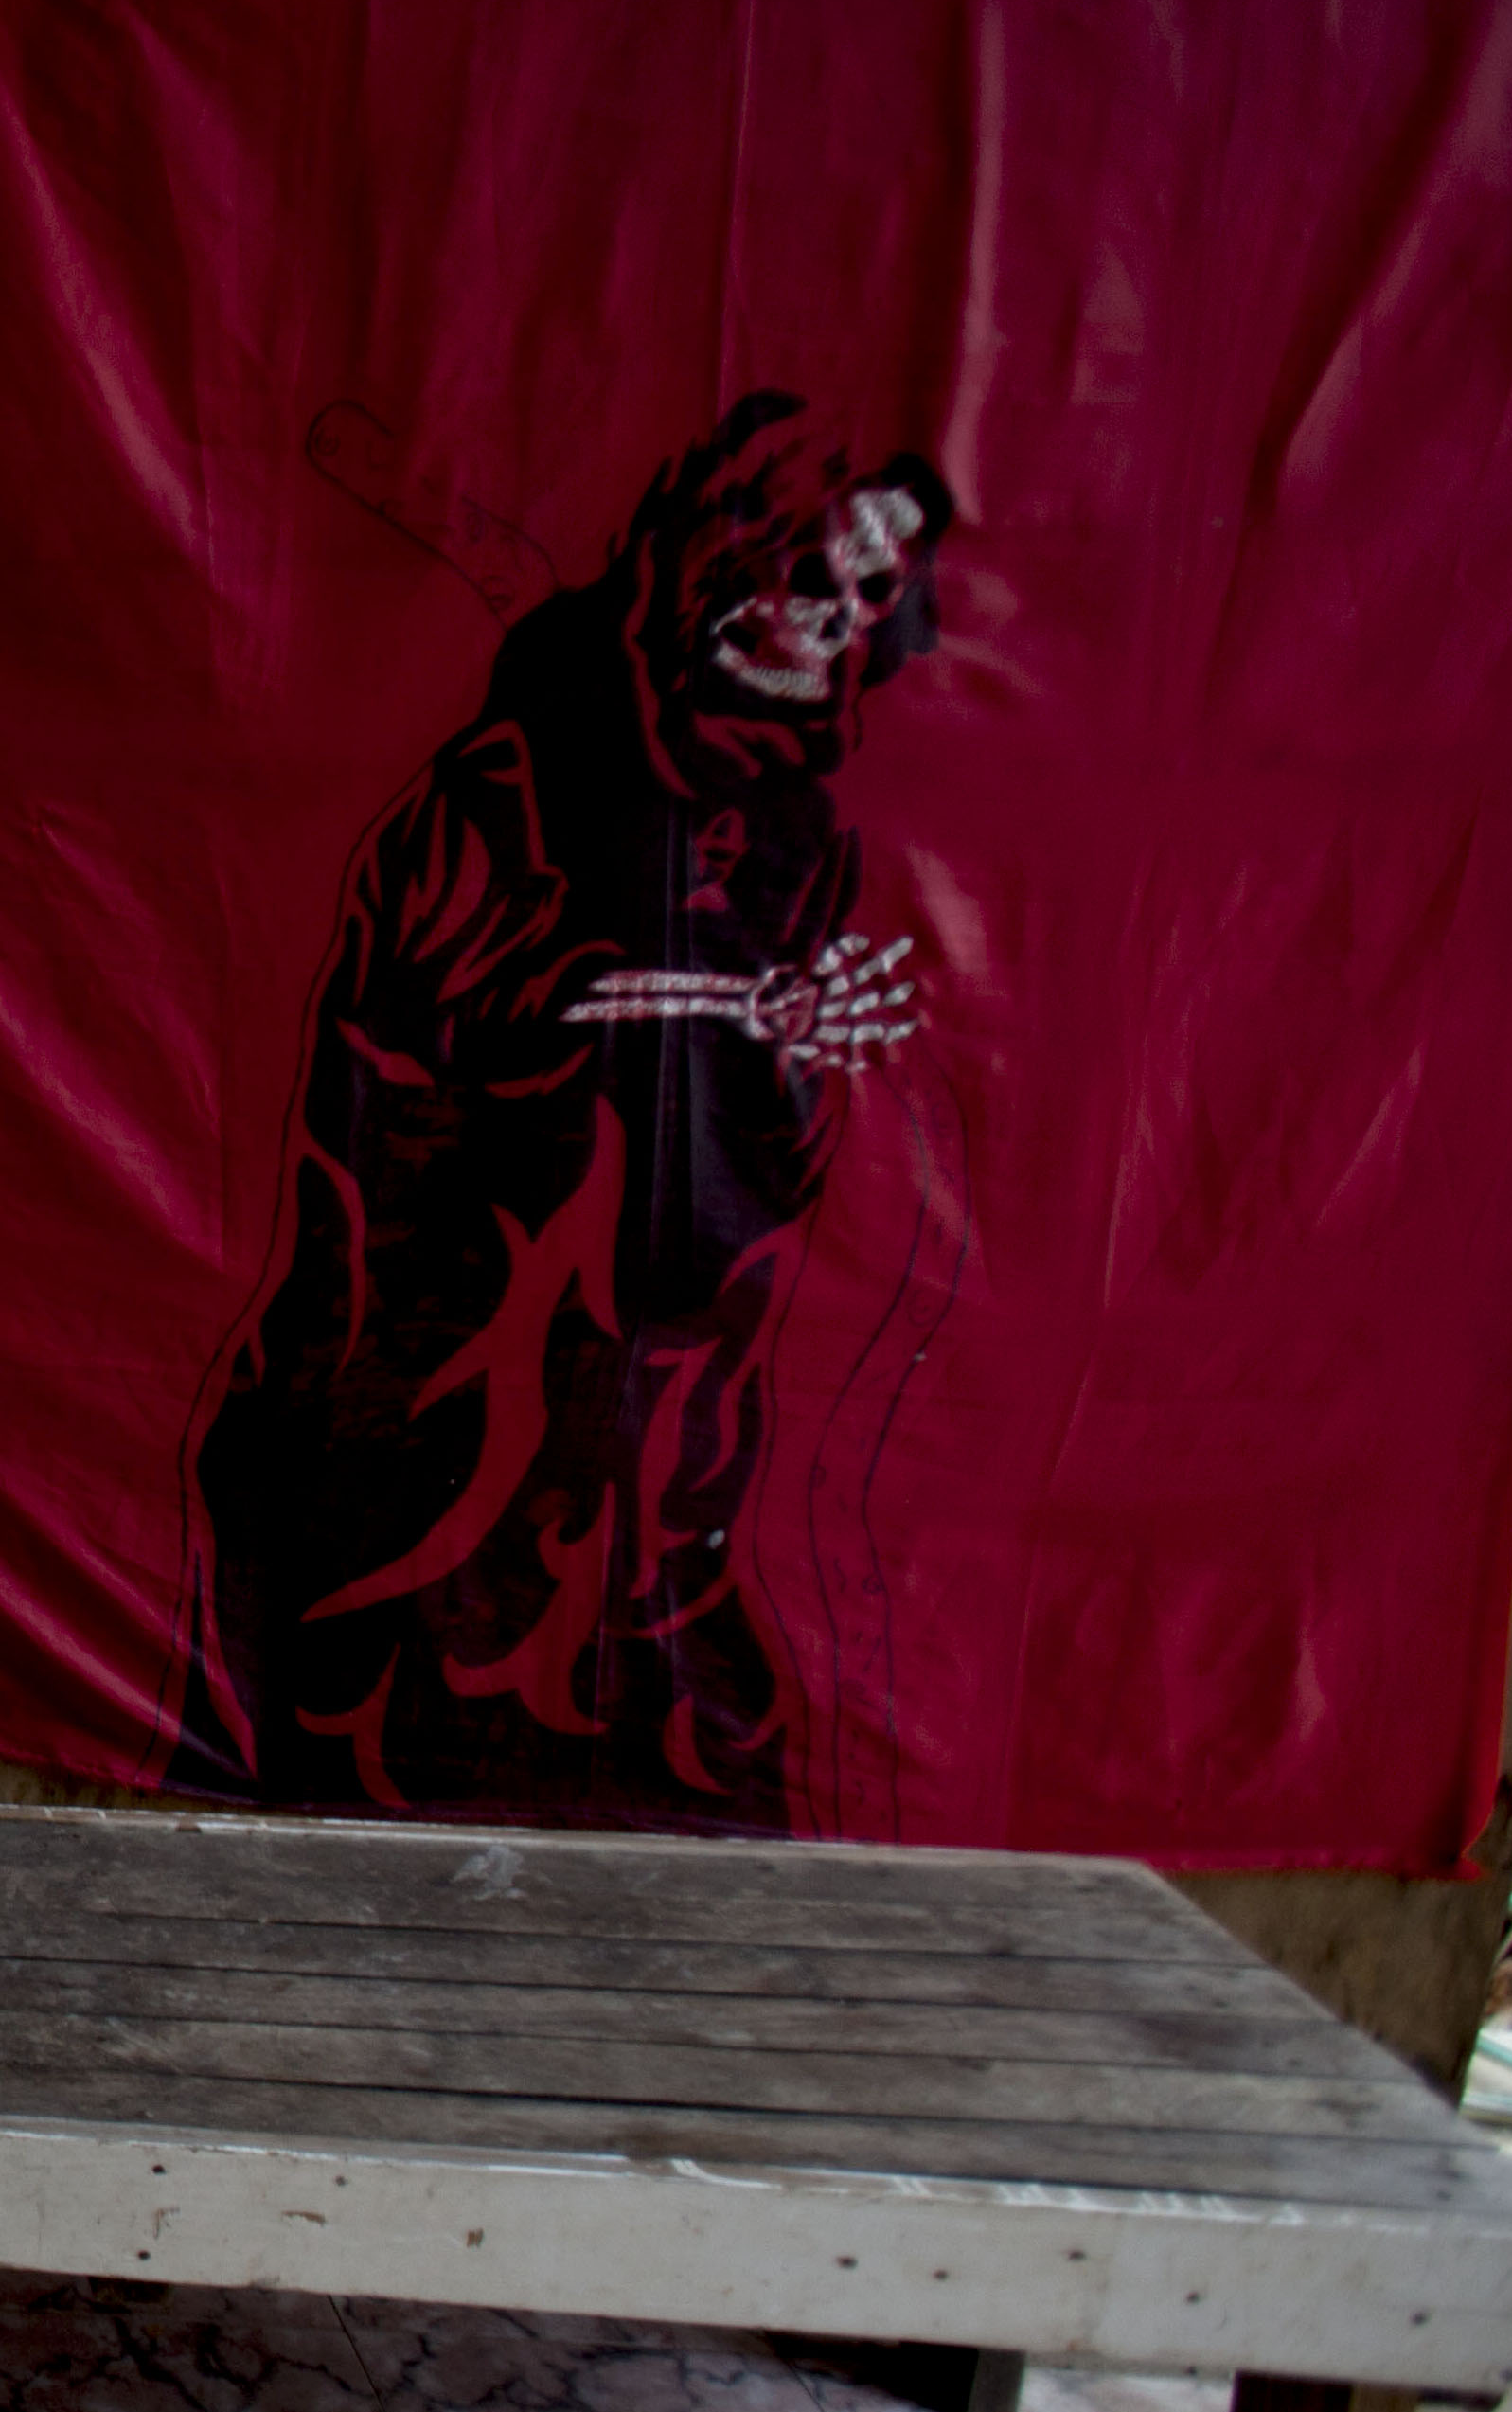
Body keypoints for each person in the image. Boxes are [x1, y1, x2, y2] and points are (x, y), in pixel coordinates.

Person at [166, 392, 951, 1827]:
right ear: (731, 551)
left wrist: (787, 1058)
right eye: (814, 574)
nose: (839, 617)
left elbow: (759, 1149)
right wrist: (732, 1010)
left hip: (648, 1420)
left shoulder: (791, 822)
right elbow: (465, 1006)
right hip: (443, 1367)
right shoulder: (518, 766)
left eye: (869, 594)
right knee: (400, 1739)